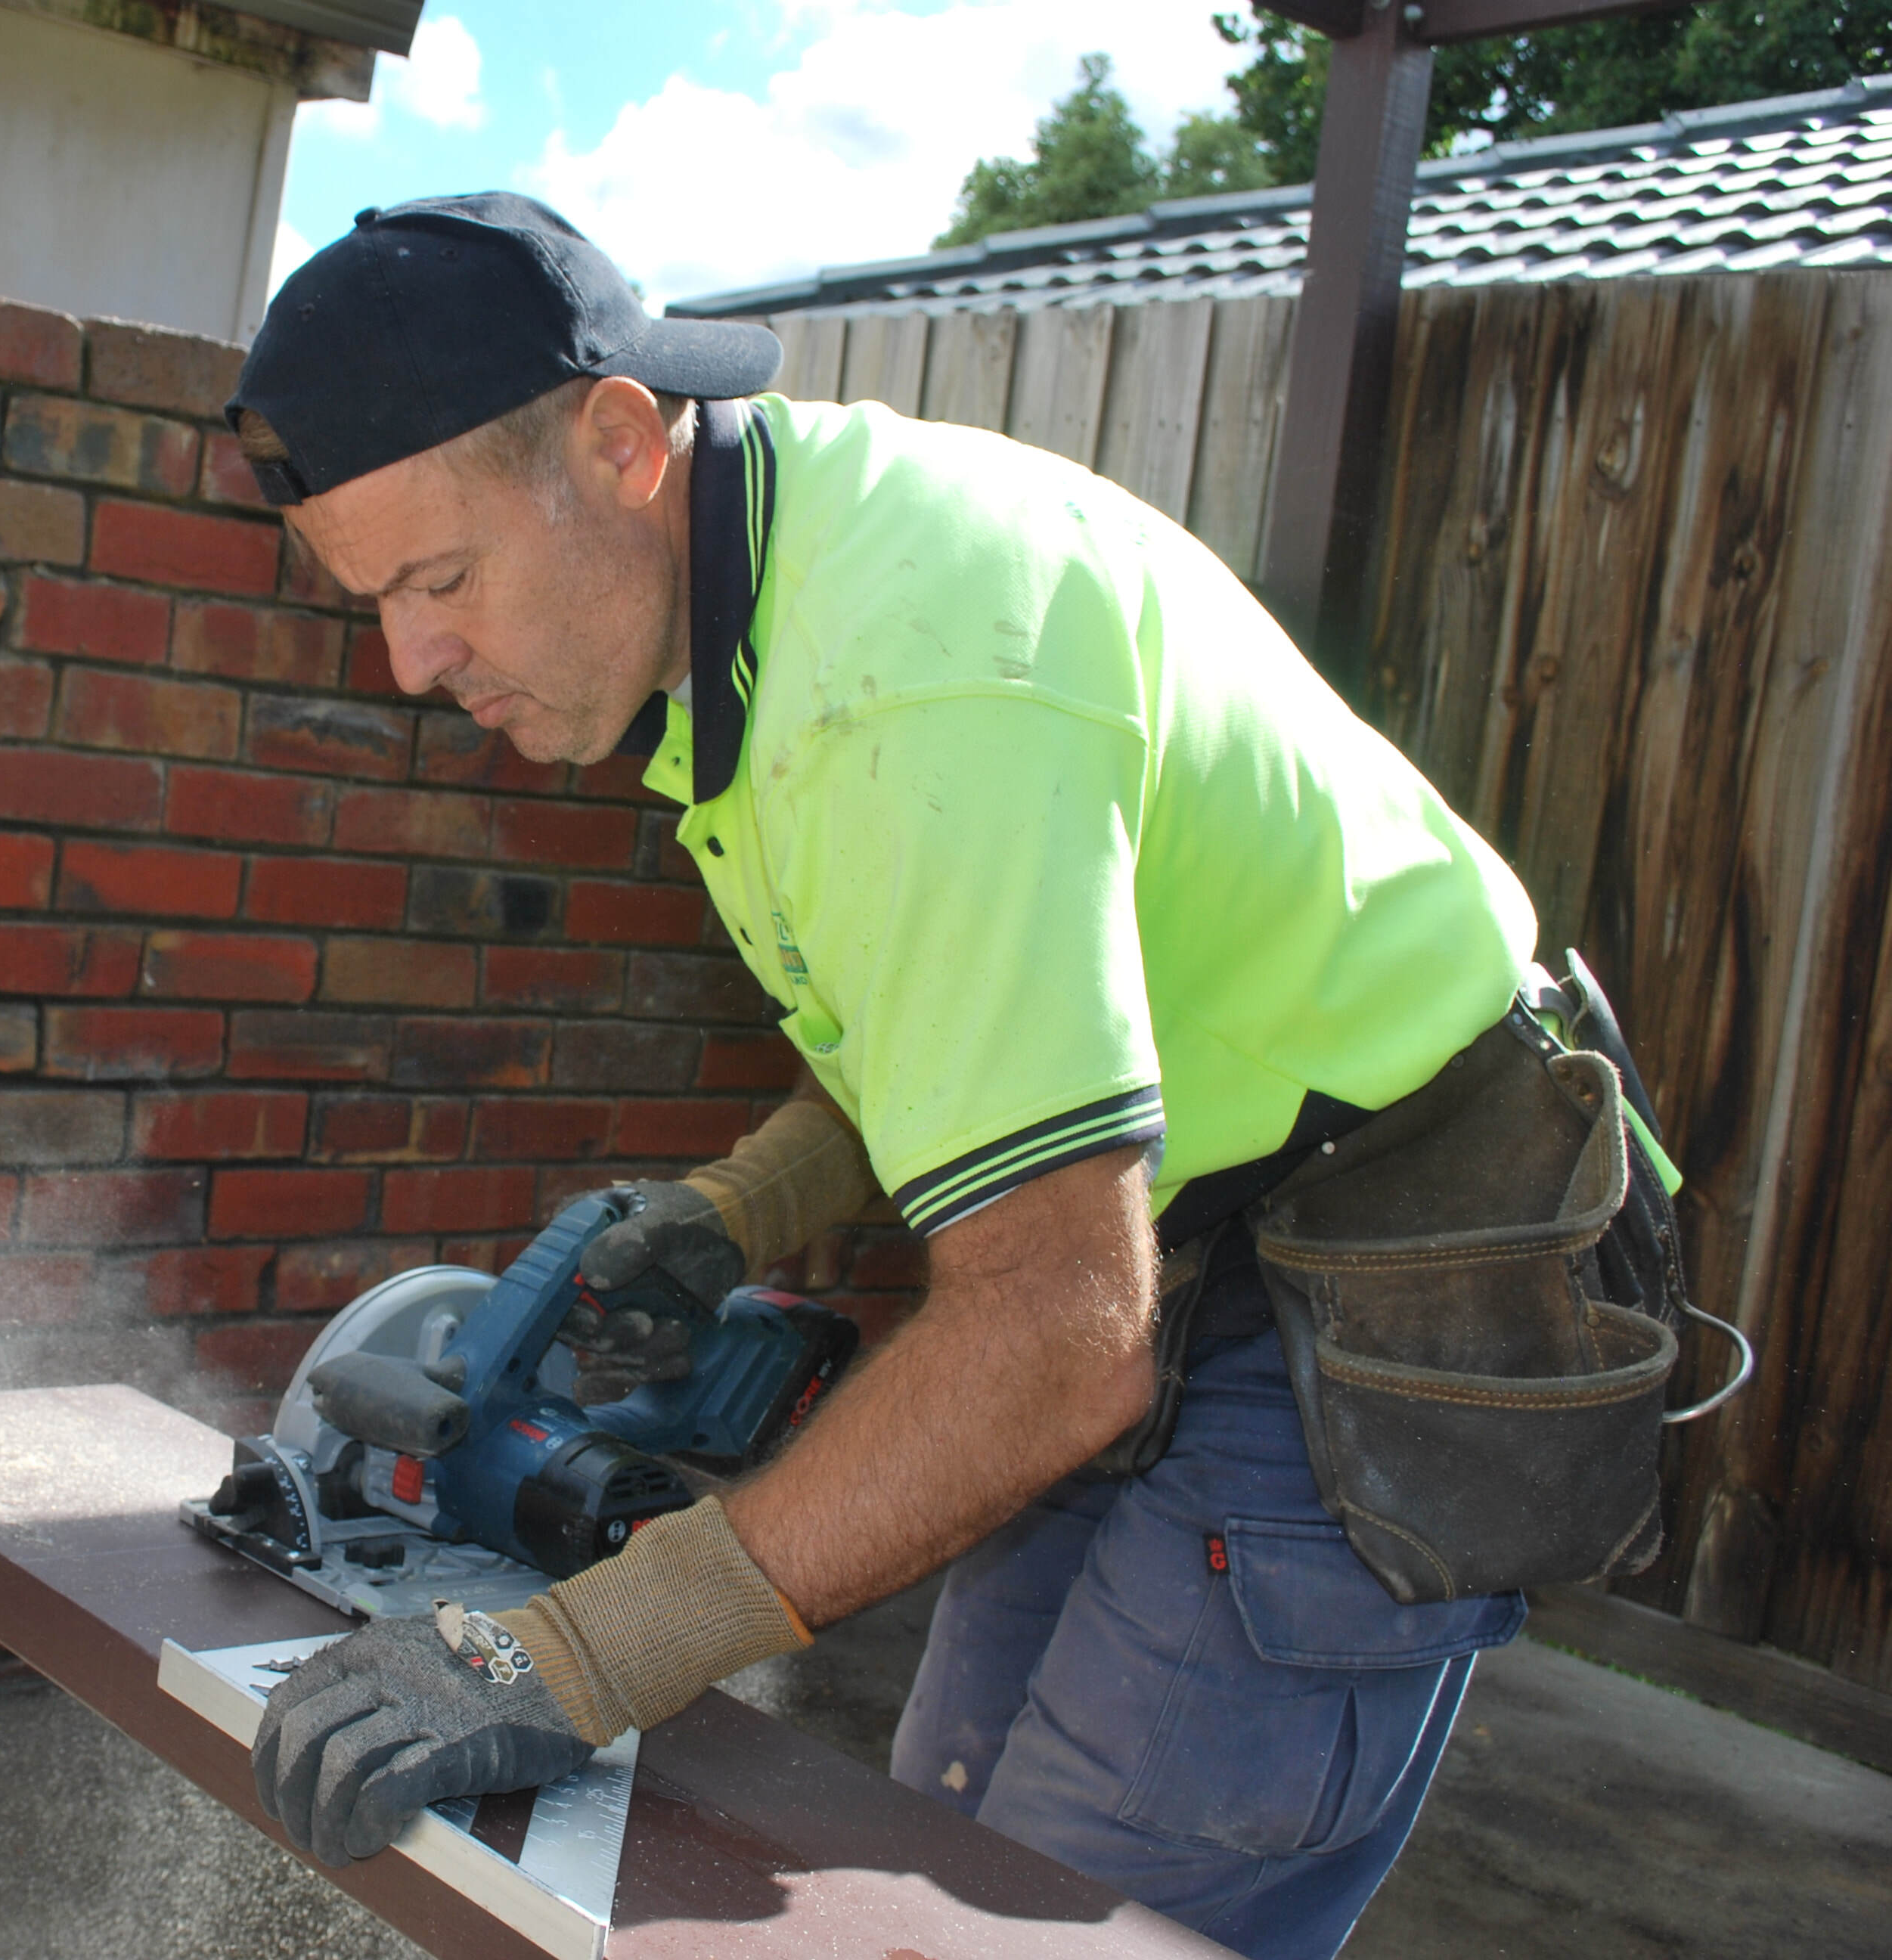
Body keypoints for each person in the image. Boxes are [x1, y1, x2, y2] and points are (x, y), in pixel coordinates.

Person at [225, 194, 1673, 1960]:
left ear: (615, 442)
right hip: (1173, 1231)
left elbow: (1059, 1336)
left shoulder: (903, 678)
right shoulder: (735, 630)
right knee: (936, 1820)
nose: (410, 661)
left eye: (437, 582)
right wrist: (739, 1210)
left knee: (1075, 1914)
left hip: (1388, 1260)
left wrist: (578, 1655)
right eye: (370, 600)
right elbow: (973, 1022)